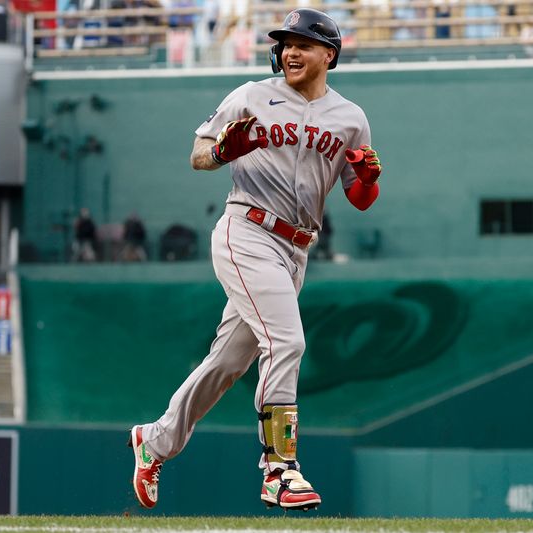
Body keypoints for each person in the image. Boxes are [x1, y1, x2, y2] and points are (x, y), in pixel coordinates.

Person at [128, 8, 382, 512]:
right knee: (287, 341)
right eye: (286, 42)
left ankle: (154, 441)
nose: (290, 51)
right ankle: (279, 469)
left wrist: (370, 179)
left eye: (302, 44)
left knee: (226, 363)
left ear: (328, 54)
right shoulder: (251, 95)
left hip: (297, 248)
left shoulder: (351, 118)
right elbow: (198, 154)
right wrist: (223, 150)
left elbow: (358, 197)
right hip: (247, 230)